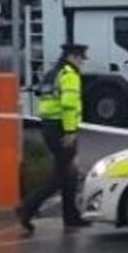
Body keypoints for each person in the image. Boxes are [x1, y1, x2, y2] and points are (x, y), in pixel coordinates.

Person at [15, 43, 91, 234]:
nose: (82, 62)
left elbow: (46, 101)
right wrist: (70, 131)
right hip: (61, 129)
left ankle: (71, 216)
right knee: (59, 177)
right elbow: (68, 106)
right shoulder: (70, 75)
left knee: (70, 174)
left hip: (49, 126)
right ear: (73, 57)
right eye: (81, 58)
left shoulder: (53, 73)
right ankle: (26, 210)